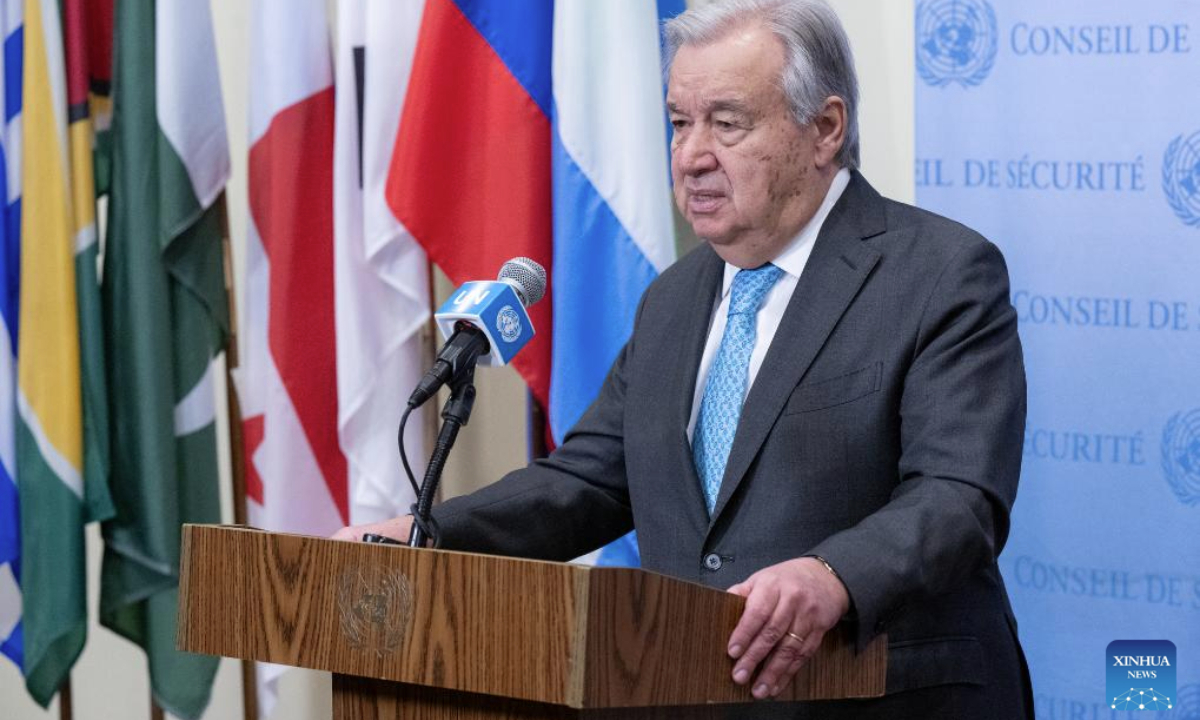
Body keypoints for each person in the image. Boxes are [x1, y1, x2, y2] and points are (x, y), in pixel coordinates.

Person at [335, 1, 1032, 717]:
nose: (692, 155)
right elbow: (591, 480)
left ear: (825, 128)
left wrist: (833, 575)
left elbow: (958, 496)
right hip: (690, 693)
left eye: (727, 124)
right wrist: (426, 536)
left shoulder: (939, 274)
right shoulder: (672, 298)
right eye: (678, 122)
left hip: (885, 696)